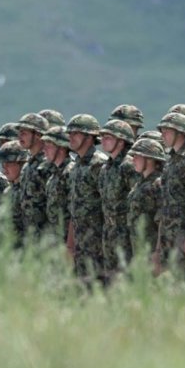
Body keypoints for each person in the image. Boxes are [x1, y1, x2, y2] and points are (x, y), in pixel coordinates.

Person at [155, 112, 185, 272]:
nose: (163, 135)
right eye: (162, 131)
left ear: (180, 132)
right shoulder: (170, 160)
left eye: (167, 131)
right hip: (168, 231)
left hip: (184, 230)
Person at [66, 114, 109, 284]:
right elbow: (74, 209)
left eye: (76, 133)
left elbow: (108, 206)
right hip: (80, 244)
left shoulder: (99, 164)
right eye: (70, 133)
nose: (71, 137)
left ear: (90, 137)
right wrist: (70, 244)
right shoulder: (76, 165)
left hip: (97, 244)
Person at [99, 119, 140, 279]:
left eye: (108, 137)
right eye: (103, 137)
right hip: (109, 232)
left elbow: (137, 200)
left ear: (121, 141)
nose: (103, 140)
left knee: (126, 277)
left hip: (125, 233)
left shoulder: (129, 165)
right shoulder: (106, 167)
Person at [127, 138, 165, 263]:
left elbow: (162, 221)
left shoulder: (158, 184)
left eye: (137, 156)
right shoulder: (140, 183)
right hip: (137, 248)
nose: (133, 160)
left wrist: (158, 252)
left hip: (151, 249)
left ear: (149, 159)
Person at [16, 113, 51, 239]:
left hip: (46, 238)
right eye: (19, 132)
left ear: (38, 135)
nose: (19, 136)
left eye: (24, 133)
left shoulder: (48, 165)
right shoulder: (27, 165)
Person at [42, 126, 74, 243]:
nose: (44, 150)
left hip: (68, 241)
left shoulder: (70, 172)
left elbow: (75, 213)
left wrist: (70, 245)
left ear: (61, 148)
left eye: (49, 145)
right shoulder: (54, 174)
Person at [0, 140, 30, 237]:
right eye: (3, 164)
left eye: (8, 164)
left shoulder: (29, 190)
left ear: (22, 163)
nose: (4, 169)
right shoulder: (8, 191)